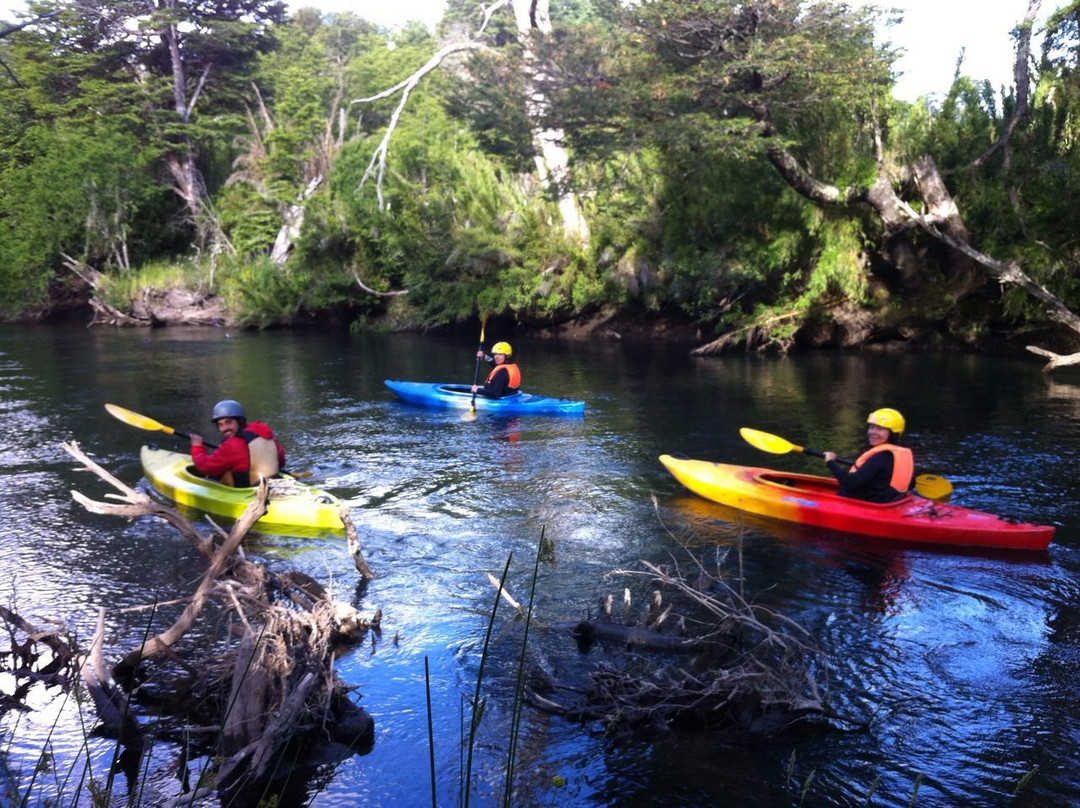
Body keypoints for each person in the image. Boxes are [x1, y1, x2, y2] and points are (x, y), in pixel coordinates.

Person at [824, 408, 914, 503]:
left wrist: (830, 462)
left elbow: (850, 483)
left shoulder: (880, 458)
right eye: (871, 427)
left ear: (892, 433)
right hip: (891, 501)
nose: (872, 432)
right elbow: (911, 484)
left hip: (864, 504)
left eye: (880, 429)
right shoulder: (899, 456)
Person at [189, 399, 286, 488]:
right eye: (220, 424)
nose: (224, 428)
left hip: (249, 492)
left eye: (228, 422)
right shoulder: (263, 432)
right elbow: (281, 461)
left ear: (240, 421)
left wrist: (197, 447)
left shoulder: (233, 444)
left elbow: (205, 467)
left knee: (213, 477)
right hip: (273, 483)